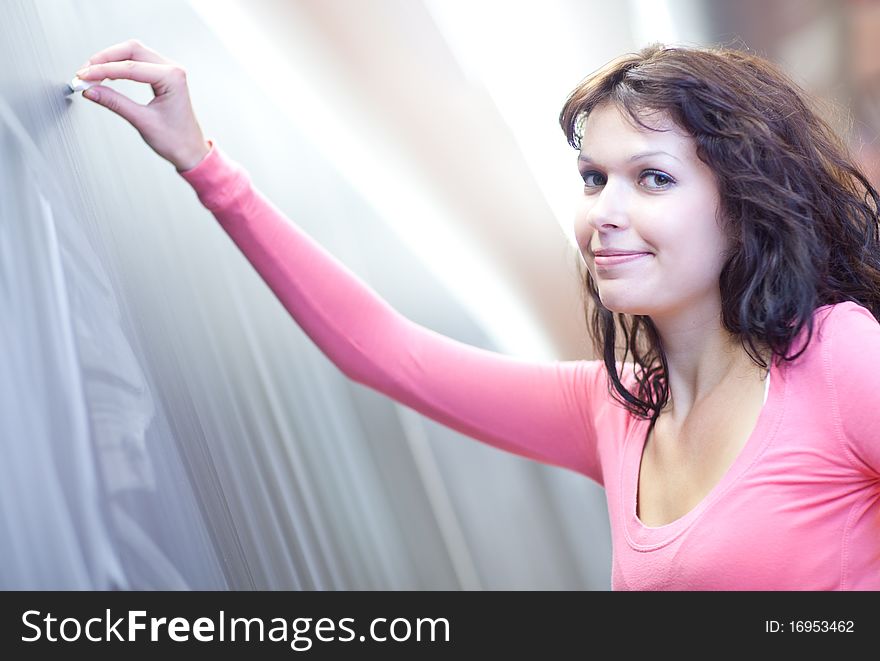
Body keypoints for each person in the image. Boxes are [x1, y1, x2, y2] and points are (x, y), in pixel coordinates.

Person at [74, 39, 880, 590]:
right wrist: (202, 163)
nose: (605, 211)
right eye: (594, 178)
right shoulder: (615, 410)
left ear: (744, 207)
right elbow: (381, 350)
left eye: (653, 179)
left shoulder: (839, 360)